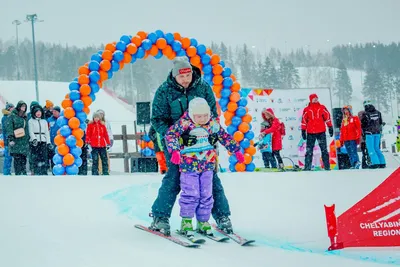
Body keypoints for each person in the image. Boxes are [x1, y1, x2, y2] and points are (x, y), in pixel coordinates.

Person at [150, 56, 234, 235]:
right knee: (173, 178)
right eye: (181, 77)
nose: (186, 79)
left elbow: (213, 114)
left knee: (210, 180)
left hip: (203, 144)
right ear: (174, 76)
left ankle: (222, 216)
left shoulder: (202, 87)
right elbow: (157, 119)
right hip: (176, 145)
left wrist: (211, 135)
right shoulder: (164, 91)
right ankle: (160, 217)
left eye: (188, 75)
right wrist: (177, 138)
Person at [165, 98, 244, 236]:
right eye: (198, 116)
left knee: (207, 194)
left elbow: (224, 136)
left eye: (205, 116)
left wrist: (236, 150)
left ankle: (203, 221)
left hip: (207, 165)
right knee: (191, 193)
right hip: (189, 165)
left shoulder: (212, 124)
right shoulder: (185, 123)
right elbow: (170, 135)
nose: (202, 119)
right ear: (192, 114)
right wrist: (175, 150)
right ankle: (187, 220)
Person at [301, 94, 333, 171]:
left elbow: (327, 117)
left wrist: (330, 127)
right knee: (309, 151)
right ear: (310, 100)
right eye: (314, 98)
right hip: (310, 133)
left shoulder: (322, 107)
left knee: (324, 149)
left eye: (316, 98)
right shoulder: (307, 109)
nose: (315, 99)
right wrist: (303, 130)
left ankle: (327, 167)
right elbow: (304, 121)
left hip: (321, 132)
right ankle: (307, 167)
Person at [5, 101, 29, 175]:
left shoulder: (25, 116)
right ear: (18, 107)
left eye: (24, 107)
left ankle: (23, 173)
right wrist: (11, 138)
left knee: (23, 159)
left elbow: (27, 129)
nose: (23, 108)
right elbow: (9, 128)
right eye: (22, 106)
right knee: (17, 159)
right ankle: (18, 174)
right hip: (16, 140)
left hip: (24, 141)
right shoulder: (12, 116)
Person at [360, 100, 385, 169]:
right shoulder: (378, 113)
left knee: (371, 149)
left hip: (369, 133)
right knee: (377, 148)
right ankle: (382, 162)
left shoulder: (366, 114)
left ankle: (375, 163)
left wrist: (363, 131)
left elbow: (363, 125)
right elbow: (380, 122)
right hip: (377, 133)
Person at [28, 105, 52, 175]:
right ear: (34, 113)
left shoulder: (44, 121)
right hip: (35, 141)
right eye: (37, 112)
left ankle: (44, 171)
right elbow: (31, 131)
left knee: (44, 157)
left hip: (43, 141)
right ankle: (36, 171)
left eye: (40, 112)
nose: (38, 113)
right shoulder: (31, 121)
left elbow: (47, 132)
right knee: (35, 157)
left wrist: (48, 142)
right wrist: (34, 139)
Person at [96, 109, 113, 174]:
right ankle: (100, 170)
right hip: (97, 142)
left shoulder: (106, 122)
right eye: (99, 114)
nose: (100, 115)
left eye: (102, 114)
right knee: (98, 157)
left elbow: (109, 132)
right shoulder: (95, 122)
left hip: (104, 142)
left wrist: (110, 140)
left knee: (105, 157)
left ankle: (106, 170)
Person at [2, 102, 14, 175]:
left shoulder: (10, 116)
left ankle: (7, 171)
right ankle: (6, 172)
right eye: (12, 107)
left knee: (9, 156)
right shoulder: (5, 118)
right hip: (8, 140)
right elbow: (7, 129)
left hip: (11, 140)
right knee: (8, 157)